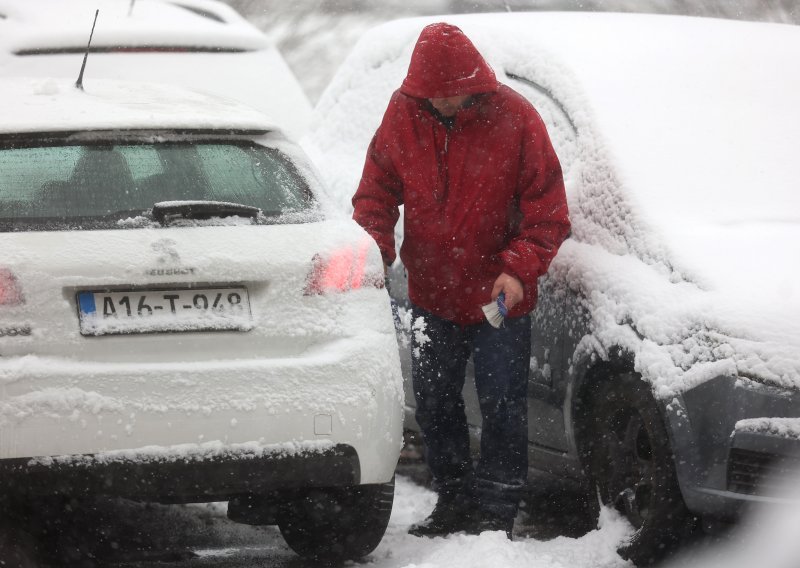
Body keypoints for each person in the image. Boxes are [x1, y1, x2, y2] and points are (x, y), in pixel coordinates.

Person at [351, 22, 571, 539]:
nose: (443, 104)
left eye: (451, 94)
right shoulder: (403, 114)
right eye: (433, 95)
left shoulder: (516, 118)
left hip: (500, 298)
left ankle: (496, 512)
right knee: (434, 403)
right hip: (431, 293)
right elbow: (374, 195)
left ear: (474, 79)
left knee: (502, 405)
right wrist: (374, 252)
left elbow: (549, 214)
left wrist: (518, 270)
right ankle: (453, 499)